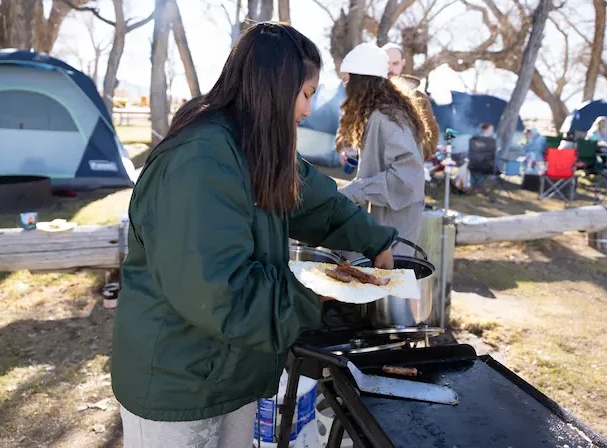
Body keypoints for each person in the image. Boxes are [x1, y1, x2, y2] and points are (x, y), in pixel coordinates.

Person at [111, 23, 397, 448]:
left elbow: (315, 200)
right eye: (306, 94)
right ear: (274, 88)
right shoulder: (201, 160)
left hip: (232, 369)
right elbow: (218, 293)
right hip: (177, 381)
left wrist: (375, 239)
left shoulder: (257, 144)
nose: (306, 111)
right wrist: (315, 292)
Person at [335, 42, 426, 255]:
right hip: (385, 230)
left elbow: (408, 177)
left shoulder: (386, 117)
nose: (345, 87)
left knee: (387, 286)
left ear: (361, 82)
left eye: (348, 80)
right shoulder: (381, 113)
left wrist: (357, 190)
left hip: (394, 234)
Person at [381, 42, 440, 159]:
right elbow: (348, 128)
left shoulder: (419, 98)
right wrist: (344, 148)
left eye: (395, 63)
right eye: (385, 63)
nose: (390, 68)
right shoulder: (365, 95)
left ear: (403, 64)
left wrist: (416, 154)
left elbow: (432, 135)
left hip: (405, 172)